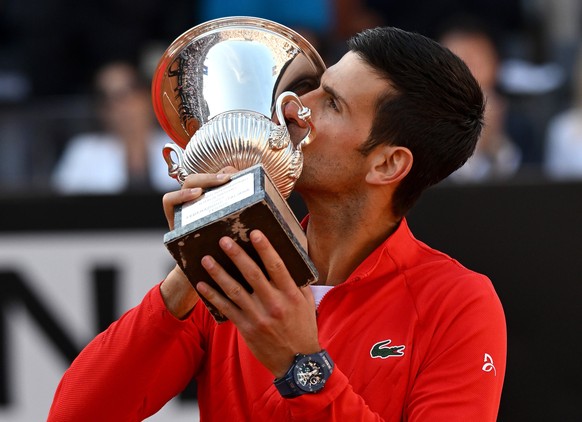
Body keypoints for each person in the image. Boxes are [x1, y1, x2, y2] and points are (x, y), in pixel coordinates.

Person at [48, 26, 506, 421]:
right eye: (314, 87)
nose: (291, 107)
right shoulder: (237, 268)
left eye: (331, 104)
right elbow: (76, 414)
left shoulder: (458, 303)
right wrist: (190, 269)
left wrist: (301, 366)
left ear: (387, 165)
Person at [51, 60, 179, 194]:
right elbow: (61, 205)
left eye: (127, 94)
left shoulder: (180, 146)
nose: (121, 107)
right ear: (102, 110)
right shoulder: (82, 152)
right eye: (110, 99)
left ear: (148, 96)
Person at [438, 18, 523, 182]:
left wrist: (497, 142)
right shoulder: (422, 125)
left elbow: (531, 184)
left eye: (478, 60)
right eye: (460, 61)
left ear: (496, 65)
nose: (470, 72)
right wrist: (477, 145)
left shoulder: (520, 125)